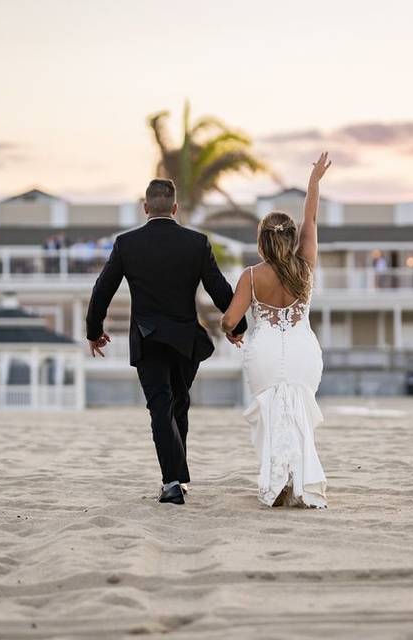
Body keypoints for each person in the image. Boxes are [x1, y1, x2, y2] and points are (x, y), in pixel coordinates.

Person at [85, 178, 247, 505]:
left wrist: (94, 331)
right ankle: (177, 479)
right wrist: (237, 324)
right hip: (185, 339)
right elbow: (219, 288)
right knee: (179, 404)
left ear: (145, 208)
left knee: (162, 405)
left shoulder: (127, 244)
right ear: (175, 208)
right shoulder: (196, 243)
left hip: (148, 339)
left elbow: (102, 289)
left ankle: (173, 481)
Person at [221, 152, 331, 508]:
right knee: (299, 414)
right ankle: (301, 481)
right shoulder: (305, 266)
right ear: (290, 238)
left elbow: (228, 319)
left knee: (271, 417)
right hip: (302, 350)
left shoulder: (251, 276)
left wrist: (232, 330)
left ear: (262, 241)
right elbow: (310, 219)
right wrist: (313, 182)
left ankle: (278, 483)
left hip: (265, 352)